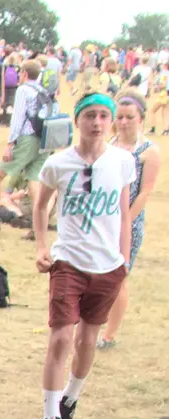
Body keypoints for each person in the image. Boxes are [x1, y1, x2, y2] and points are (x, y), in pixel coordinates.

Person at [31, 93, 135, 419]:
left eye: (104, 116)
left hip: (108, 266)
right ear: (77, 120)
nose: (98, 122)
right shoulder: (58, 164)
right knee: (61, 337)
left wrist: (123, 258)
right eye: (90, 115)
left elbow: (123, 210)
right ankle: (50, 416)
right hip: (69, 262)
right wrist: (42, 246)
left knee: (88, 338)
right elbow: (42, 205)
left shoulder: (122, 161)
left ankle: (71, 398)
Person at [99, 91, 158, 348]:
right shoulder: (108, 144)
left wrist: (124, 224)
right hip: (103, 219)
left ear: (141, 119)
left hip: (128, 224)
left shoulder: (148, 151)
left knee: (119, 277)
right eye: (120, 117)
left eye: (129, 117)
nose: (124, 122)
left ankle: (109, 334)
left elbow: (145, 191)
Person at [0, 59, 50, 226]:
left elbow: (17, 118)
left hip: (27, 139)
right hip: (44, 141)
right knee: (34, 182)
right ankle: (39, 221)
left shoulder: (23, 90)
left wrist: (10, 144)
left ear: (24, 73)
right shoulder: (44, 91)